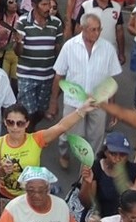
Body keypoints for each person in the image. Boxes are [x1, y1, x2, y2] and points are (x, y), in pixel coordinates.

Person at [51, 12, 122, 167]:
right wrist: (53, 102)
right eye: (93, 29)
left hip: (99, 102)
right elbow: (59, 76)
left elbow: (111, 80)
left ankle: (88, 167)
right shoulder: (69, 46)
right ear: (83, 28)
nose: (97, 33)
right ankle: (64, 152)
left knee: (96, 136)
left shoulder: (108, 48)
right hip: (73, 101)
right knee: (71, 133)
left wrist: (112, 107)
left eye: (99, 29)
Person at [14, 0, 64, 128]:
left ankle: (32, 131)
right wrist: (18, 42)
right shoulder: (23, 21)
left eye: (49, 4)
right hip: (27, 75)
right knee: (27, 112)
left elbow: (58, 48)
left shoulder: (56, 23)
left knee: (41, 110)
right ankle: (28, 137)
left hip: (47, 75)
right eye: (44, 5)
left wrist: (59, 71)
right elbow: (18, 52)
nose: (48, 8)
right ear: (34, 5)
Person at [78, 132, 136, 219]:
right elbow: (87, 203)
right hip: (102, 221)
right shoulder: (96, 168)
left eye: (122, 155)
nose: (118, 159)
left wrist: (130, 190)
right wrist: (87, 183)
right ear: (105, 152)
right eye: (113, 154)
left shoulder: (135, 170)